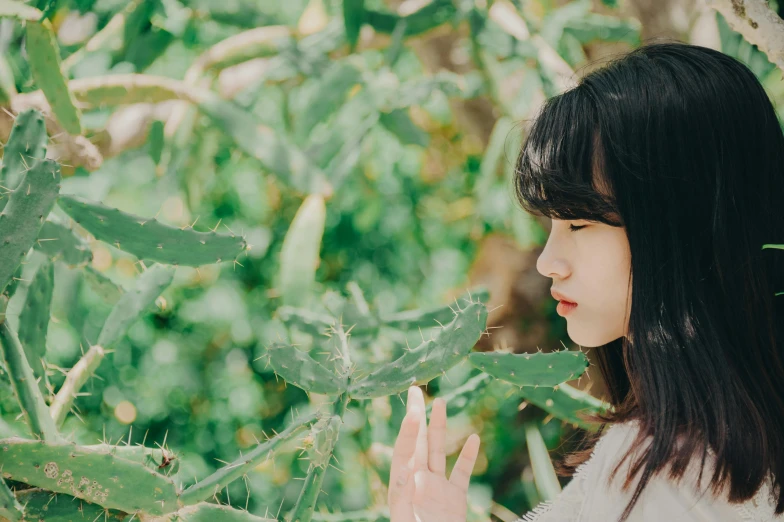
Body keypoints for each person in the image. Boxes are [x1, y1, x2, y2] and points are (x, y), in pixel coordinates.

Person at [387, 40, 784, 521]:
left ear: (679, 224)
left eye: (578, 224)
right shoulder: (724, 443)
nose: (548, 262)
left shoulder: (665, 470)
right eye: (550, 226)